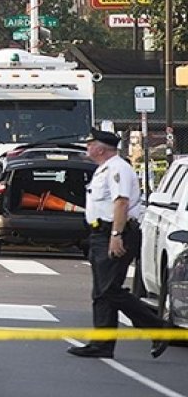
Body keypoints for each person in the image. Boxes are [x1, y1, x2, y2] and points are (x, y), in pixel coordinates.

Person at [67, 128, 170, 359]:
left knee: (109, 289)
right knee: (101, 292)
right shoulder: (104, 169)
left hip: (114, 233)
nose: (87, 147)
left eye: (90, 143)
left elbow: (121, 203)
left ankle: (158, 328)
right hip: (100, 233)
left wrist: (116, 234)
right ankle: (102, 344)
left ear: (101, 148)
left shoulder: (118, 169)